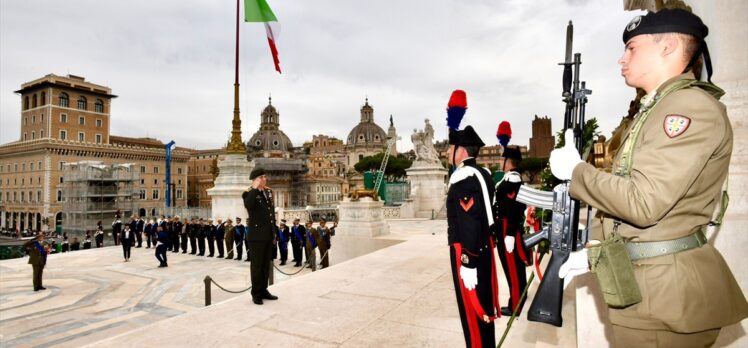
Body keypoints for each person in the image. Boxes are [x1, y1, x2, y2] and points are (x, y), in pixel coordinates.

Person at [549, 9, 748, 347]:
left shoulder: (686, 109)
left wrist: (577, 172)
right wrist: (591, 247)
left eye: (632, 48)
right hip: (648, 288)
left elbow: (643, 202)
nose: (622, 59)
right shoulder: (657, 108)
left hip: (665, 299)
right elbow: (629, 201)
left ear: (668, 47)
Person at [445, 90, 499, 347]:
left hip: (468, 251)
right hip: (483, 248)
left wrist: (468, 261)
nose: (446, 153)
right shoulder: (483, 173)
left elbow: (470, 221)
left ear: (461, 150)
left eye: (449, 148)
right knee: (484, 307)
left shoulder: (463, 178)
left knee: (473, 313)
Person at [492, 145, 530, 316]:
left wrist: (509, 234)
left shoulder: (512, 181)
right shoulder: (509, 179)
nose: (500, 162)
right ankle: (520, 297)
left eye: (502, 159)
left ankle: (516, 305)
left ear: (508, 162)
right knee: (515, 268)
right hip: (506, 228)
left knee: (512, 269)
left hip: (508, 229)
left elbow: (513, 210)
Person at [242, 167, 278, 305]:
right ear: (255, 180)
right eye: (262, 177)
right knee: (257, 266)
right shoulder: (248, 193)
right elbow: (249, 205)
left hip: (268, 235)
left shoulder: (268, 192)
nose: (265, 179)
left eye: (265, 176)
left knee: (265, 265)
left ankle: (264, 290)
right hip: (256, 236)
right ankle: (256, 293)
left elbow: (271, 215)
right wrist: (255, 188)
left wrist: (274, 233)